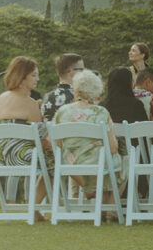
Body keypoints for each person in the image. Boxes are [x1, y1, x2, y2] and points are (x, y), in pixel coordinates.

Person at [0, 56, 53, 218]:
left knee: (49, 157)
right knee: (55, 160)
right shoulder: (30, 103)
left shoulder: (1, 98)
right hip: (22, 157)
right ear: (22, 77)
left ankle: (34, 209)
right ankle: (34, 206)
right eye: (33, 75)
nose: (37, 79)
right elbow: (41, 140)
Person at [53, 70, 127, 205]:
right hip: (95, 162)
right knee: (125, 162)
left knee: (103, 161)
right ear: (97, 90)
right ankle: (110, 208)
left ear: (76, 89)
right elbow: (112, 148)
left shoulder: (62, 111)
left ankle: (90, 189)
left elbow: (58, 145)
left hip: (70, 162)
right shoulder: (101, 112)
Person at [40, 53, 85, 122]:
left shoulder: (47, 97)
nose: (84, 73)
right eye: (81, 69)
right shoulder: (81, 97)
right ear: (71, 71)